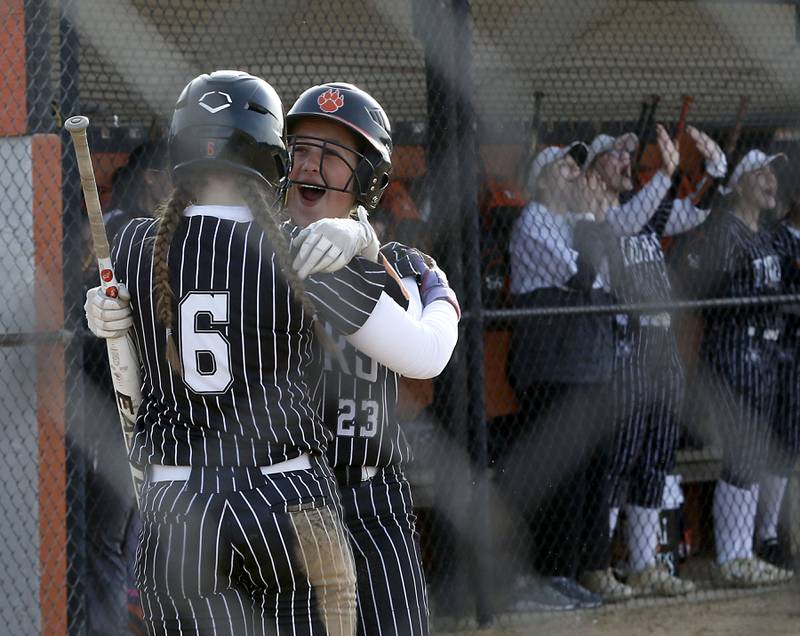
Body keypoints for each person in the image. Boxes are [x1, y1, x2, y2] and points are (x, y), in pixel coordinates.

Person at [81, 69, 415, 634]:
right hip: (286, 496)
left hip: (177, 503)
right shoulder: (297, 244)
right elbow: (412, 347)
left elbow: (129, 363)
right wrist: (361, 235)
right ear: (269, 154)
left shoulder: (135, 247)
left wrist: (103, 308)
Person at [282, 81, 460, 635]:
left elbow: (425, 338)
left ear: (368, 180)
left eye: (334, 156)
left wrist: (361, 238)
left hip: (374, 497)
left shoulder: (399, 261)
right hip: (283, 500)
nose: (311, 167)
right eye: (302, 150)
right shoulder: (256, 254)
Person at [579, 125, 725, 598]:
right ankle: (597, 563)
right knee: (621, 454)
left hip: (663, 346)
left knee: (657, 453)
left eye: (628, 156)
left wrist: (715, 172)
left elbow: (692, 212)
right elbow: (634, 219)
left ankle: (645, 565)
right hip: (627, 344)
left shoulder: (642, 214)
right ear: (591, 171)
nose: (625, 161)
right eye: (614, 156)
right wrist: (666, 173)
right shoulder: (594, 219)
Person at [503, 141, 620, 610]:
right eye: (567, 165)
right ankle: (552, 572)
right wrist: (593, 222)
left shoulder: (574, 222)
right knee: (564, 473)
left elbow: (611, 279)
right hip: (553, 365)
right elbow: (584, 278)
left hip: (588, 363)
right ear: (544, 177)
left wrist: (593, 221)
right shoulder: (533, 220)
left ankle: (580, 570)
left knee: (591, 472)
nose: (577, 172)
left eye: (578, 165)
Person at [683, 149, 794, 587]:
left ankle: (743, 552)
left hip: (763, 354)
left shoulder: (764, 234)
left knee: (752, 454)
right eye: (761, 173)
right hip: (732, 352)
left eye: (773, 173)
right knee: (740, 454)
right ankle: (731, 556)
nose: (771, 180)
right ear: (741, 184)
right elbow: (703, 289)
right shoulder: (726, 231)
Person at [757, 169, 800, 571]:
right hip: (782, 351)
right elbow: (774, 299)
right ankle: (768, 535)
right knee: (782, 444)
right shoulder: (777, 238)